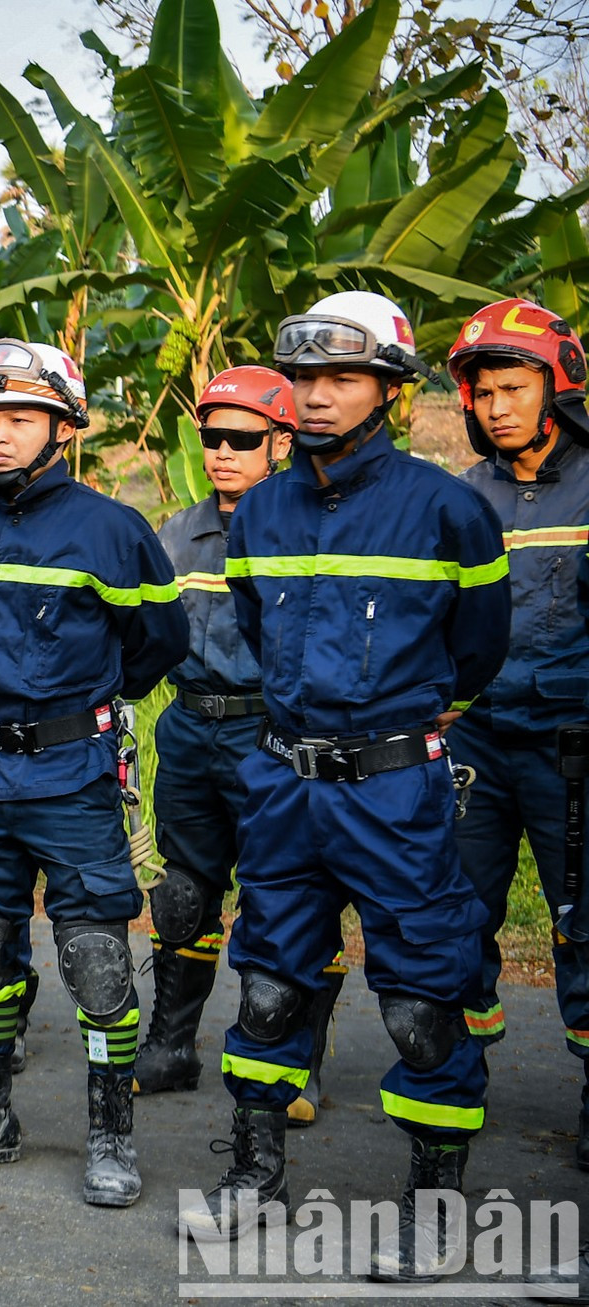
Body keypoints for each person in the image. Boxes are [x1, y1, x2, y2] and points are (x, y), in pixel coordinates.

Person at [178, 292, 510, 1284]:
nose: (315, 398)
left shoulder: (447, 505)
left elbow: (477, 653)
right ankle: (251, 1168)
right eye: (304, 378)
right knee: (272, 984)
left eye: (340, 377)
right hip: (281, 783)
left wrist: (395, 724)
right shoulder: (263, 506)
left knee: (419, 999)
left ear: (387, 388)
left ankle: (434, 1200)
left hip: (392, 790)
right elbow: (252, 616)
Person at [0, 339, 185, 1208]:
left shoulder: (113, 529)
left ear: (64, 426)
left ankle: (110, 1135)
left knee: (97, 958)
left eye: (19, 418)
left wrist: (73, 714)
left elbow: (155, 647)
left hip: (74, 774)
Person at [135, 366, 345, 1125]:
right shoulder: (175, 534)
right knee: (185, 894)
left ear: (282, 442)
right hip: (190, 728)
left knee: (289, 896)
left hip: (276, 735)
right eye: (211, 437)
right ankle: (170, 1045)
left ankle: (297, 1058)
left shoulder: (311, 528)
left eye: (242, 439)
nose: (222, 452)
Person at [446, 296, 589, 1170]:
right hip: (477, 745)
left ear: (557, 384)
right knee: (454, 914)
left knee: (584, 924)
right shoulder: (462, 498)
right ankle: (454, 1074)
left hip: (575, 743)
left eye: (512, 386)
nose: (496, 406)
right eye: (484, 393)